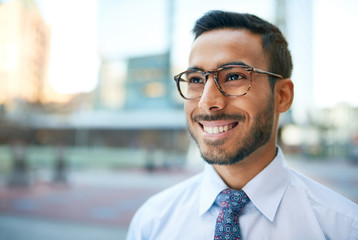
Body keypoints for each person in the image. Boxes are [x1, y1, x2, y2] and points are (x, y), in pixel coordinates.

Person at [126, 10, 358, 240]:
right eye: (196, 79)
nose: (207, 102)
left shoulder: (342, 228)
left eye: (234, 76)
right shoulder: (152, 222)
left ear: (282, 96)